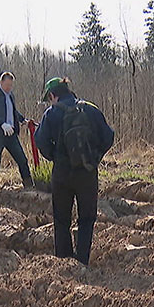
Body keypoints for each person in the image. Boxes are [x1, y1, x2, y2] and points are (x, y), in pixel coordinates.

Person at [35, 77, 114, 266]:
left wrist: (55, 156)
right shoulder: (90, 109)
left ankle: (65, 263)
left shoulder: (51, 114)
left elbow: (40, 141)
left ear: (53, 95)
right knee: (86, 219)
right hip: (87, 172)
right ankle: (82, 262)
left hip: (62, 174)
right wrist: (94, 157)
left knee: (61, 219)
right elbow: (108, 136)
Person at [0, 72, 33, 194]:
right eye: (7, 85)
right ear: (1, 83)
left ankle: (29, 187)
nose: (9, 88)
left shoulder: (10, 96)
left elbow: (13, 112)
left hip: (11, 134)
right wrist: (1, 123)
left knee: (22, 159)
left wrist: (23, 120)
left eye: (11, 85)